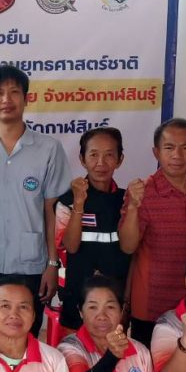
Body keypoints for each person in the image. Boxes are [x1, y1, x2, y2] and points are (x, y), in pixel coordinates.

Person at [0, 66, 70, 339]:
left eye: (14, 92)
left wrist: (52, 264)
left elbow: (51, 210)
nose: (6, 100)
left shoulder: (48, 149)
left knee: (27, 340)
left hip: (31, 265)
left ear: (26, 98)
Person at [117, 118, 186, 340]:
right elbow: (127, 246)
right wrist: (133, 207)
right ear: (156, 152)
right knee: (151, 361)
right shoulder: (142, 192)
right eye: (169, 148)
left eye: (185, 148)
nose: (177, 156)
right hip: (151, 304)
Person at [55, 127, 132, 331]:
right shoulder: (67, 200)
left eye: (109, 155)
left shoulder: (126, 200)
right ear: (82, 159)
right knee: (75, 348)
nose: (101, 163)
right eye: (94, 155)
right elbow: (70, 247)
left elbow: (131, 249)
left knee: (113, 347)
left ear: (120, 159)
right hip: (77, 293)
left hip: (115, 296)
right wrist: (79, 204)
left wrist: (133, 206)